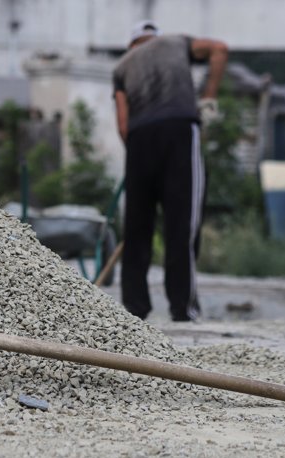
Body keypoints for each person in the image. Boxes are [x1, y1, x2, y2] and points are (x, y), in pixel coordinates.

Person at [112, 20, 228, 321]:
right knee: (182, 224)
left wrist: (139, 156)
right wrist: (208, 97)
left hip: (139, 139)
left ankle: (134, 312)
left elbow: (123, 124)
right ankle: (183, 310)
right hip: (178, 130)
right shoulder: (176, 42)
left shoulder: (122, 66)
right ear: (154, 38)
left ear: (132, 44)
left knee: (137, 229)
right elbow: (219, 49)